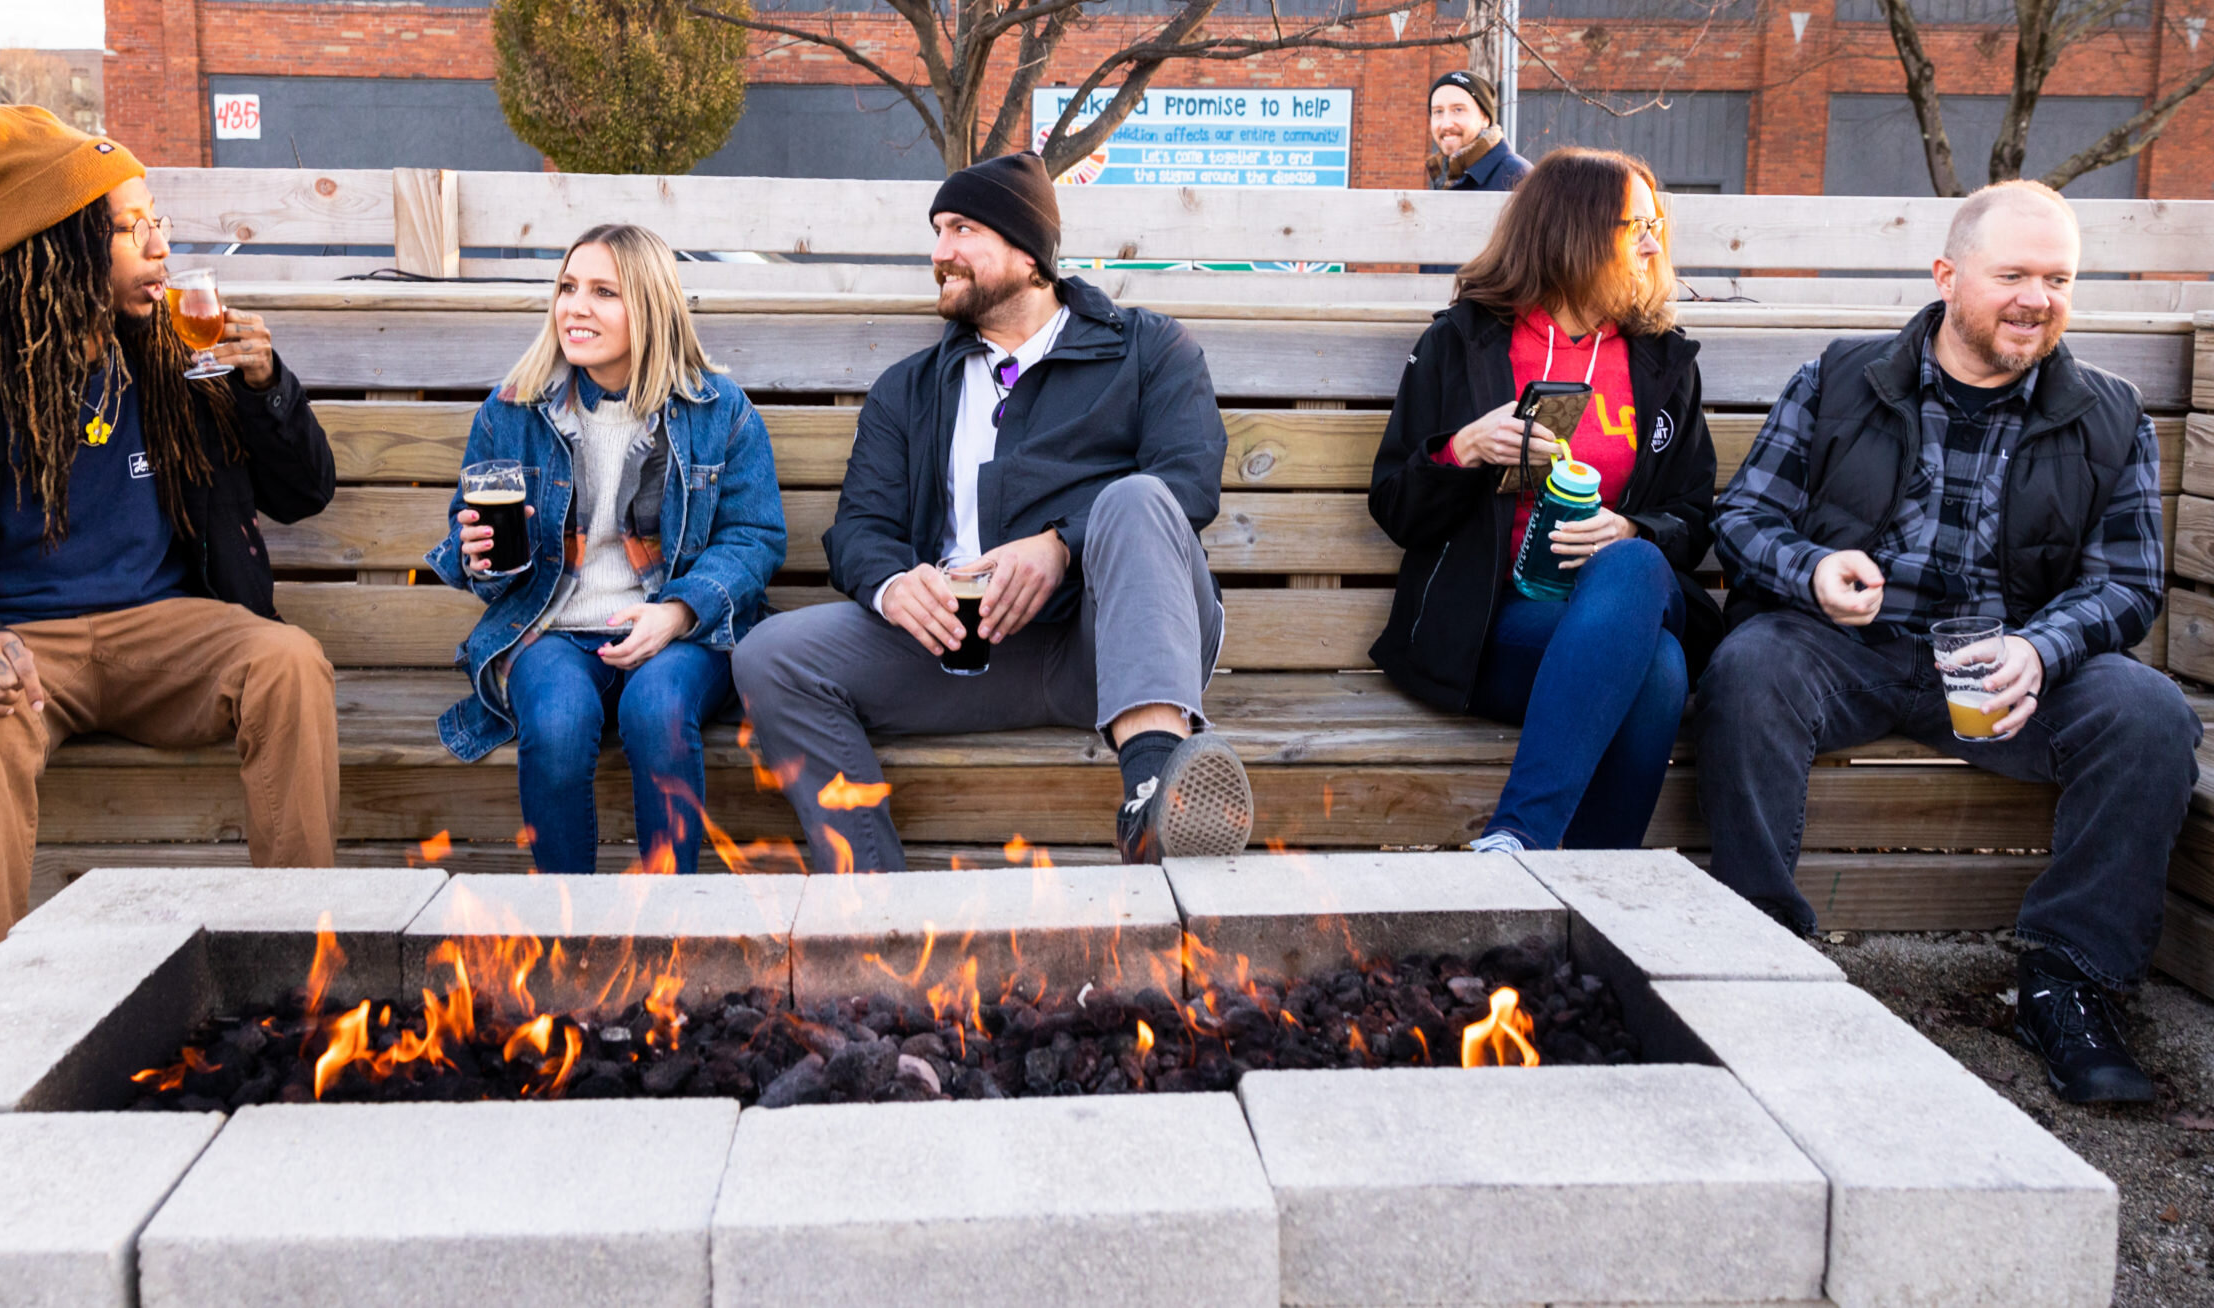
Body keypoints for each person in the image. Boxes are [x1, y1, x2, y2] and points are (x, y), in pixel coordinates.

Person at [1699, 180, 2199, 1105]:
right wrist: (1811, 569)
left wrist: (2044, 647)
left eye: (2058, 278)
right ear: (1947, 275)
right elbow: (1743, 517)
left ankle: (2070, 981)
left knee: (2150, 712)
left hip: (2002, 672)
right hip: (1847, 650)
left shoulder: (2110, 413)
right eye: (2012, 273)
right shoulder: (1842, 377)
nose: (2036, 299)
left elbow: (2128, 583)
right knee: (1752, 665)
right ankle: (1760, 953)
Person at [0, 107, 341, 971]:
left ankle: (303, 971)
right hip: (12, 646)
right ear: (57, 246)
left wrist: (265, 388)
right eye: (131, 229)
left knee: (288, 663)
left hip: (164, 631)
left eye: (157, 222)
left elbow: (305, 493)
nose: (160, 247)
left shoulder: (179, 354)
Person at [732, 153, 1251, 871]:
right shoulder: (909, 390)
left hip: (1112, 641)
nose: (940, 253)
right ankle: (873, 898)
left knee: (1136, 497)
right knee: (770, 655)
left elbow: (1187, 483)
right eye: (937, 231)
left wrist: (1060, 545)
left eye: (963, 228)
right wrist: (894, 586)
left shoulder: (1147, 350)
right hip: (970, 647)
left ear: (1030, 253)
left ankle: (1154, 794)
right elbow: (858, 531)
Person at [1371, 148, 1720, 853]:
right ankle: (1591, 889)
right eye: (1635, 227)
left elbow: (1693, 511)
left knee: (1633, 564)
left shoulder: (1661, 362)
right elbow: (1397, 508)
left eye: (1658, 225)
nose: (1655, 244)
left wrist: (1631, 526)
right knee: (1657, 670)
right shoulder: (1464, 344)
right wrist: (1462, 450)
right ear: (1576, 230)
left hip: (1632, 594)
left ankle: (1518, 839)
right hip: (1496, 623)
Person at [427, 224, 786, 875]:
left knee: (657, 710)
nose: (575, 307)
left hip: (677, 629)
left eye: (603, 292)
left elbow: (754, 538)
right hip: (554, 629)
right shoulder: (513, 409)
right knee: (558, 722)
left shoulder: (718, 410)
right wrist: (473, 554)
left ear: (648, 305)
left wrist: (677, 613)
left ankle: (666, 927)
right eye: (567, 287)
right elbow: (470, 537)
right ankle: (571, 930)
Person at [1425, 69, 1531, 193]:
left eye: (1458, 110)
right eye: (1438, 111)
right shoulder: (1442, 175)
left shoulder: (1516, 176)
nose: (1446, 124)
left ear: (1485, 117)